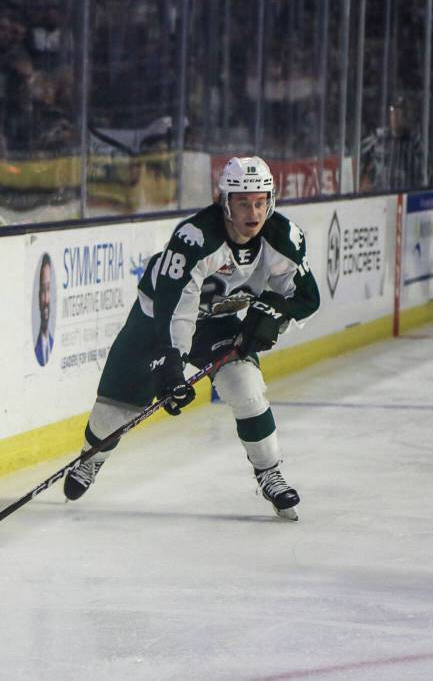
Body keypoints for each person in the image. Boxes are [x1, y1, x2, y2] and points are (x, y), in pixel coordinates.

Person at [63, 157, 320, 521]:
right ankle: (92, 459)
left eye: (261, 201)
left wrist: (271, 316)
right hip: (157, 319)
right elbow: (174, 307)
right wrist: (171, 362)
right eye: (244, 202)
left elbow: (306, 297)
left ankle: (269, 472)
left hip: (218, 321)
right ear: (225, 201)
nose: (254, 211)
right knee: (114, 412)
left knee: (245, 385)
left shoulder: (283, 238)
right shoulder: (195, 237)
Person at [360, 95, 424, 192]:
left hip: (405, 198)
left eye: (400, 112)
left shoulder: (414, 142)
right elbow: (360, 156)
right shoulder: (379, 137)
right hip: (381, 197)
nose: (395, 116)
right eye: (393, 111)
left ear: (406, 116)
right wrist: (364, 178)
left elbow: (421, 175)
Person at [34, 253, 54, 366]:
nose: (46, 299)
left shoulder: (52, 343)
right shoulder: (36, 349)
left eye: (48, 289)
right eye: (43, 290)